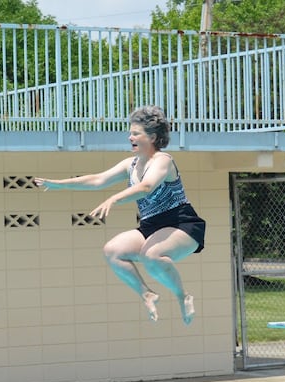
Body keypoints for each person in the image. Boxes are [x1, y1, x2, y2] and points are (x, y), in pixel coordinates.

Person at [35, 105, 205, 324]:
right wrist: (60, 185)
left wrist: (114, 198)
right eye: (130, 133)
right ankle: (147, 294)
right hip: (151, 225)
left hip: (182, 223)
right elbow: (97, 180)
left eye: (136, 133)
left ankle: (183, 296)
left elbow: (147, 186)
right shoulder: (130, 164)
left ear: (152, 137)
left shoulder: (163, 160)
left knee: (151, 256)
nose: (130, 137)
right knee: (113, 251)